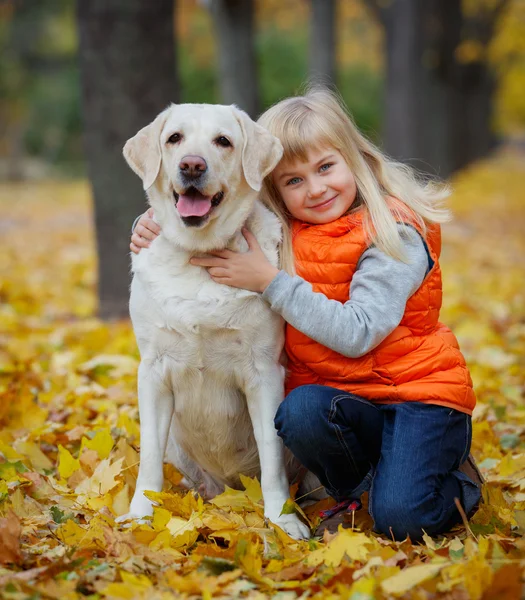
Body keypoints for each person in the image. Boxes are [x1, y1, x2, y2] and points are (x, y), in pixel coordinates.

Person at [130, 87, 483, 541]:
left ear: (354, 159)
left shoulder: (394, 233)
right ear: (274, 188)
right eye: (293, 181)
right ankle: (369, 485)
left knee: (402, 518)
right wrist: (151, 222)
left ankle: (450, 481)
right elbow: (208, 204)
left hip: (419, 399)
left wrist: (267, 281)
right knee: (298, 411)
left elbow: (358, 331)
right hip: (349, 399)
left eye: (326, 168)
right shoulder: (284, 230)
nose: (314, 189)